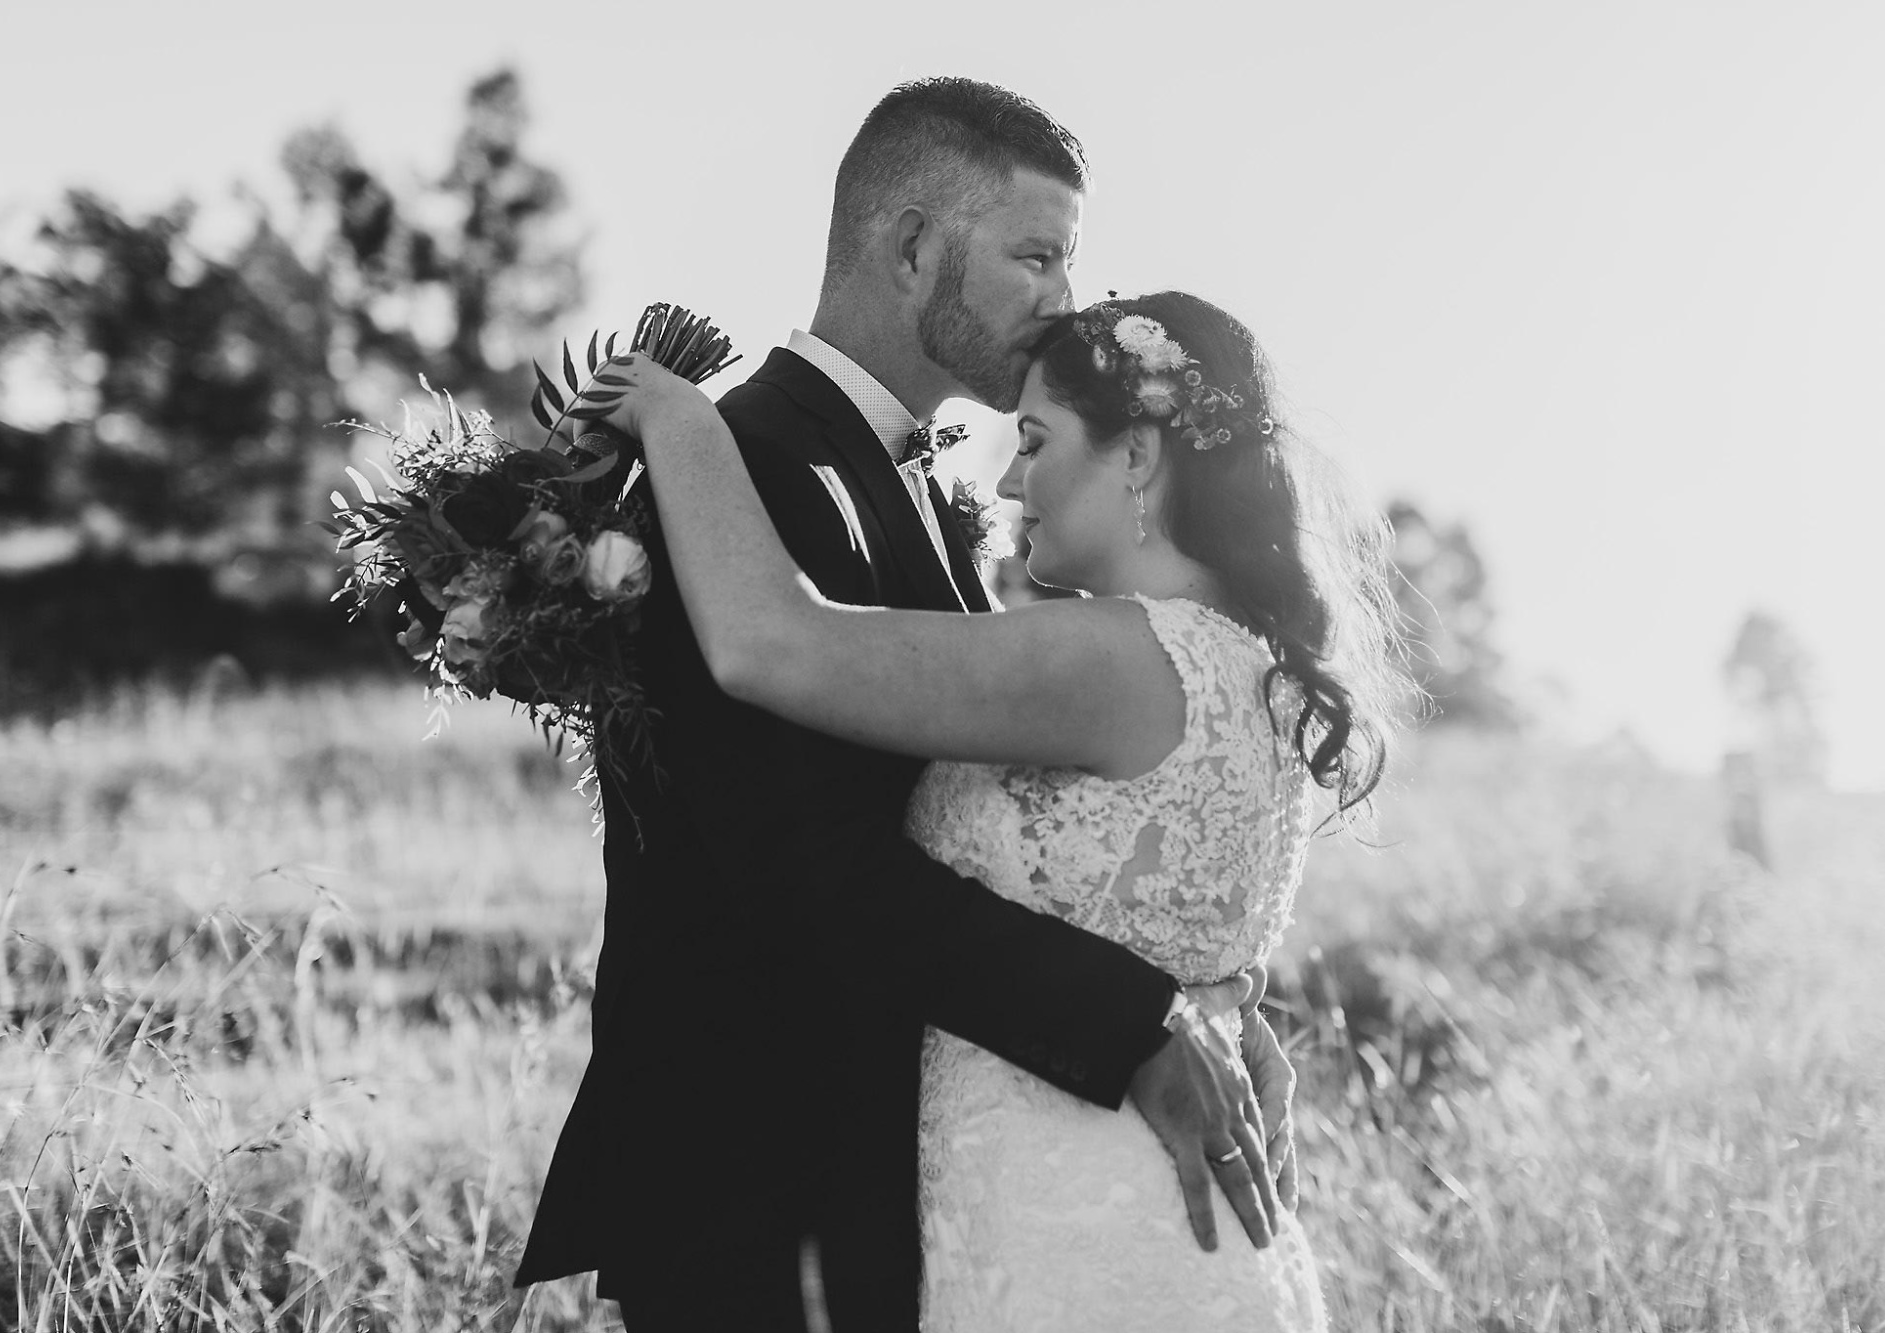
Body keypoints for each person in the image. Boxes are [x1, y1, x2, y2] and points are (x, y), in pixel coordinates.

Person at [512, 78, 1304, 1331]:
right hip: (763, 1181)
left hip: (919, 1188)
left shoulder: (933, 501)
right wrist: (1137, 1026)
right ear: (912, 246)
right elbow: (797, 863)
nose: (1061, 297)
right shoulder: (739, 464)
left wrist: (1205, 997)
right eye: (1033, 254)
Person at [584, 287, 1405, 1328]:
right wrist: (1217, 1007)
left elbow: (768, 644)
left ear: (1140, 457)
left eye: (1034, 440)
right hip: (1165, 1213)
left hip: (1055, 1217)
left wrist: (675, 420)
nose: (1012, 480)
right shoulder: (1249, 669)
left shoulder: (1117, 652)